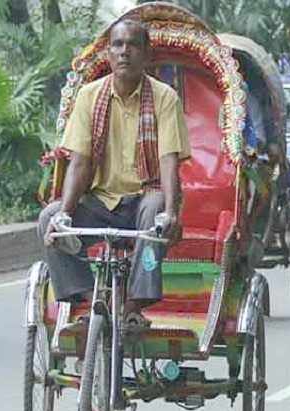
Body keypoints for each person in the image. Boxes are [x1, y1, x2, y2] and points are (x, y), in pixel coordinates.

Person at [38, 19, 190, 326]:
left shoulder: (165, 98)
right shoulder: (89, 96)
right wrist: (65, 214)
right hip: (100, 201)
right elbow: (79, 162)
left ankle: (134, 304)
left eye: (133, 45)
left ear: (147, 55)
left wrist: (171, 212)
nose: (124, 52)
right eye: (118, 45)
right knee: (48, 220)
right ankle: (85, 303)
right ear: (108, 53)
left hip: (145, 196)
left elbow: (168, 159)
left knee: (154, 212)